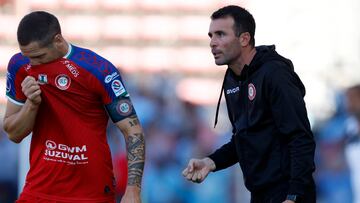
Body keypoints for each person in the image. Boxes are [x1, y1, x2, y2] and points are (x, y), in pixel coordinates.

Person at [3, 11, 145, 203]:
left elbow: (133, 131)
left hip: (90, 193)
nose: (33, 63)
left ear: (58, 40)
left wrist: (133, 191)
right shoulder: (19, 66)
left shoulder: (99, 70)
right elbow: (13, 133)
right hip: (39, 189)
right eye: (28, 56)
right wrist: (32, 103)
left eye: (39, 56)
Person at [182, 5, 316, 203]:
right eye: (211, 35)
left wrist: (294, 196)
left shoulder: (275, 75)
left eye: (220, 34)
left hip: (287, 193)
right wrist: (210, 162)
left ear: (244, 39)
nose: (212, 43)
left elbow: (300, 138)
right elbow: (244, 138)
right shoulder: (232, 80)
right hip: (259, 194)